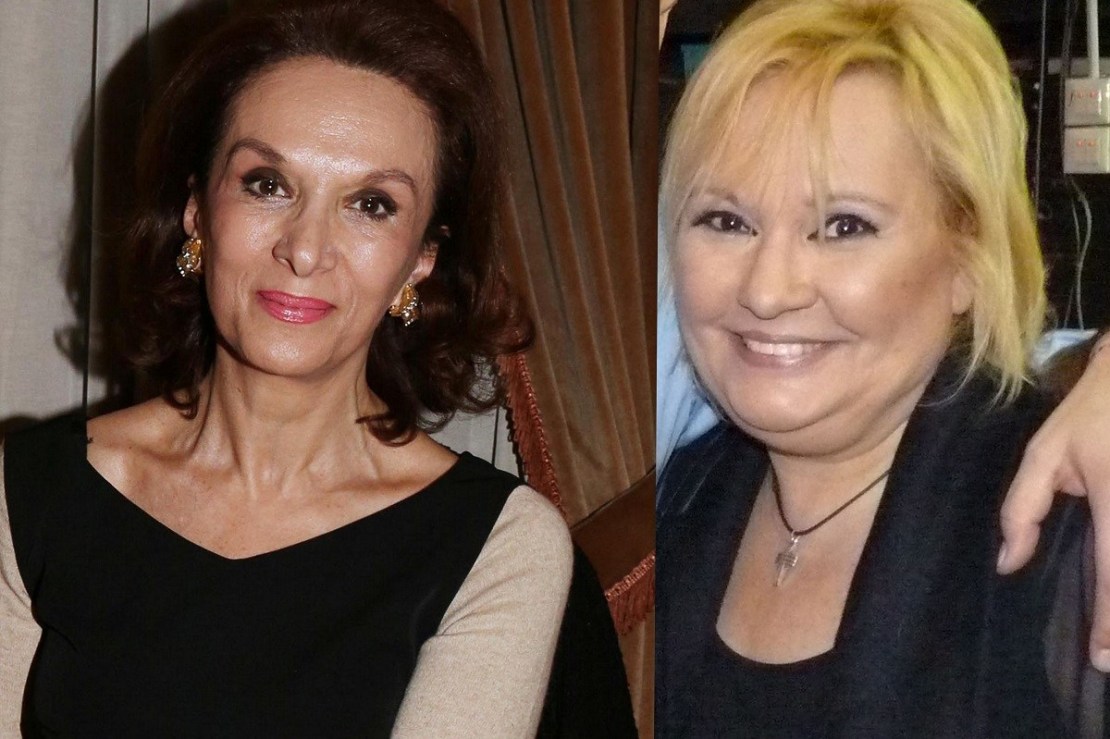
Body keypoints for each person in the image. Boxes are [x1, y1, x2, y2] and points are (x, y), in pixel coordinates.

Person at [0, 0, 577, 735]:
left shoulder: (499, 545)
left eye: (371, 204)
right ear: (197, 209)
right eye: (268, 184)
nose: (305, 250)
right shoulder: (31, 493)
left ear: (422, 258)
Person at [656, 0, 1110, 735]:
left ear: (968, 259)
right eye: (727, 221)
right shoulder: (677, 499)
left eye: (843, 226)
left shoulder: (1072, 530)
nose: (768, 290)